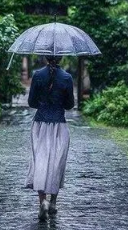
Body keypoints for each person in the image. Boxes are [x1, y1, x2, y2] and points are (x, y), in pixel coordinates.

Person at [25, 55, 75, 221]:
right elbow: (69, 105)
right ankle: (53, 202)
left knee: (40, 162)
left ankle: (42, 203)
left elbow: (31, 102)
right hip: (59, 126)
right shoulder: (67, 78)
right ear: (60, 57)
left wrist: (43, 100)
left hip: (40, 125)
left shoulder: (38, 75)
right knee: (56, 163)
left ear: (46, 57)